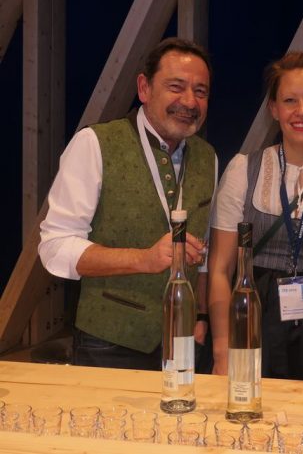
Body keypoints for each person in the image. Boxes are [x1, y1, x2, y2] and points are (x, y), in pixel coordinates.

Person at [38, 38, 217, 371]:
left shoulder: (209, 159)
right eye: (176, 87)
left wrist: (201, 315)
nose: (190, 101)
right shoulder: (95, 144)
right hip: (109, 342)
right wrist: (144, 259)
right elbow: (55, 247)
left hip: (184, 341)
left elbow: (203, 256)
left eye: (201, 91)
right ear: (144, 88)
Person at [208, 52, 303, 382]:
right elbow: (220, 269)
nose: (301, 111)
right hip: (255, 312)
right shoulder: (243, 170)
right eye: (290, 100)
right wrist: (221, 349)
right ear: (274, 109)